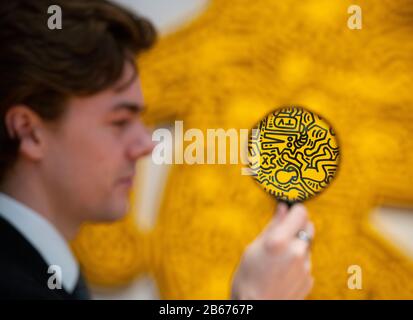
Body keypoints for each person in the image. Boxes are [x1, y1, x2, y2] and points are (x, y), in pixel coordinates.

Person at [0, 0, 314, 300]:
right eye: (120, 121)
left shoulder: (48, 273)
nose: (147, 145)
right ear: (29, 131)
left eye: (141, 119)